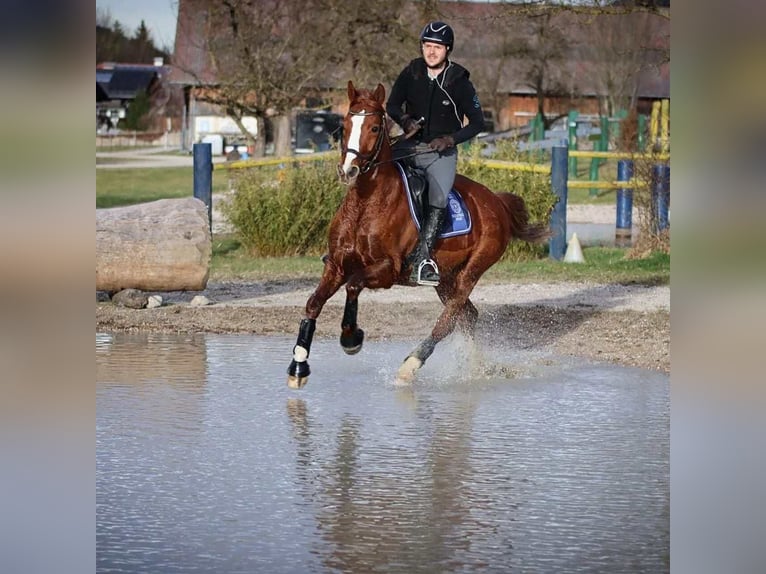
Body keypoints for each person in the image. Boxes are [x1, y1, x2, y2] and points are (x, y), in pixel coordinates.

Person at [386, 20, 485, 286]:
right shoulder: (412, 71)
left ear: (447, 50)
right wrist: (404, 120)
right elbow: (392, 104)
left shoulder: (460, 81)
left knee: (438, 196)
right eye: (427, 46)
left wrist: (451, 139)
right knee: (375, 174)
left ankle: (423, 260)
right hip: (408, 146)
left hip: (440, 154)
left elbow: (478, 122)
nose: (431, 52)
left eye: (437, 47)